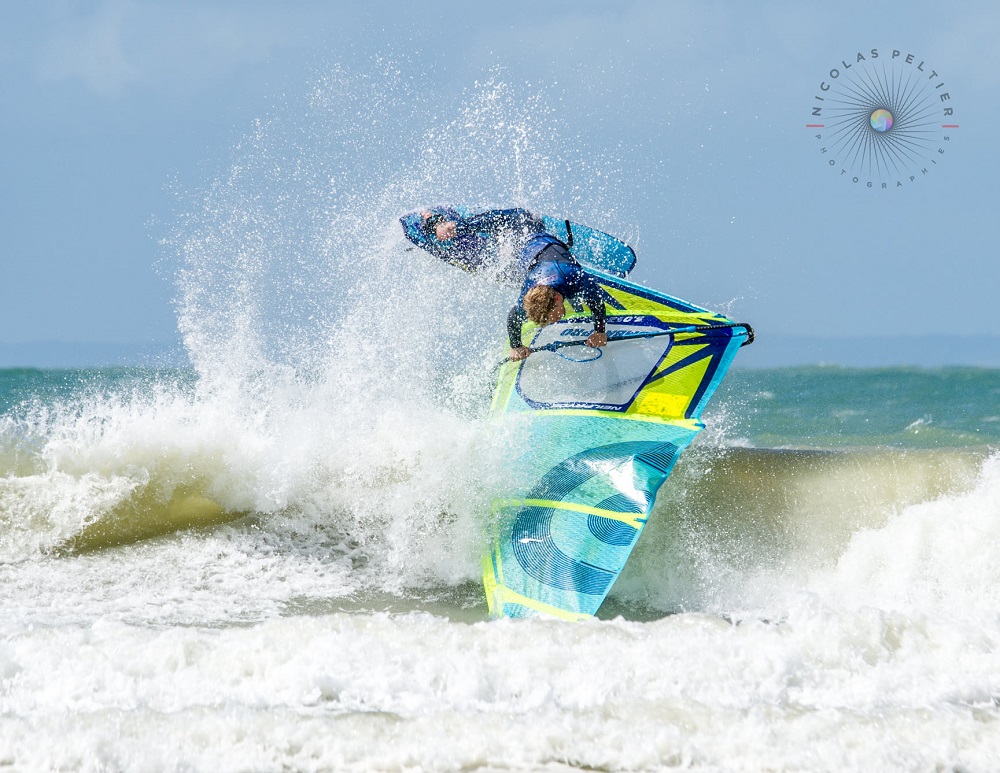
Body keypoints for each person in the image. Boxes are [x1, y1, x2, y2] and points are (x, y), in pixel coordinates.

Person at [400, 206, 607, 359]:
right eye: (550, 319)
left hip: (525, 232)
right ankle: (432, 220)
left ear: (557, 298)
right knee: (465, 236)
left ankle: (443, 225)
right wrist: (516, 346)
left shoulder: (572, 277)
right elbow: (514, 317)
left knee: (466, 238)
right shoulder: (530, 296)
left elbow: (597, 299)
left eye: (550, 318)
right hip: (522, 237)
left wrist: (599, 330)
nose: (553, 322)